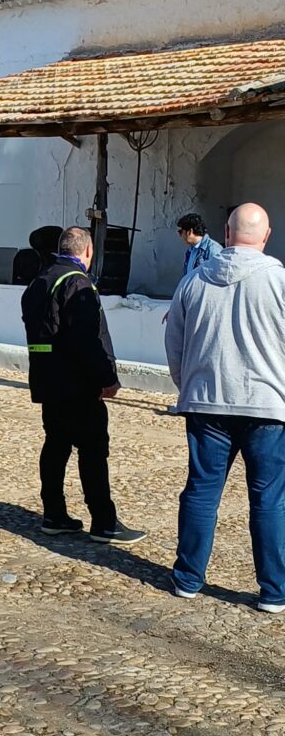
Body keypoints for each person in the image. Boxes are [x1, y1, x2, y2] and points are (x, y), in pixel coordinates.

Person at [165, 203, 285, 612]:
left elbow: (175, 347)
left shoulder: (194, 281)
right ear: (265, 236)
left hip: (206, 401)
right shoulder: (280, 281)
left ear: (227, 234)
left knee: (201, 492)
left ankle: (187, 579)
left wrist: (190, 387)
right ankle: (274, 591)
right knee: (269, 499)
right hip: (267, 405)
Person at [21, 226, 145, 545]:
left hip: (47, 379)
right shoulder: (77, 283)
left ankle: (54, 514)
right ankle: (104, 521)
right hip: (76, 382)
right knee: (92, 451)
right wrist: (106, 377)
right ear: (87, 252)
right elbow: (88, 338)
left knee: (56, 445)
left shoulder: (41, 280)